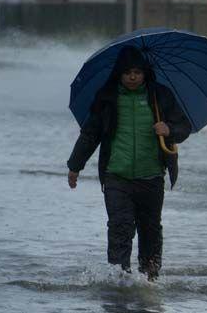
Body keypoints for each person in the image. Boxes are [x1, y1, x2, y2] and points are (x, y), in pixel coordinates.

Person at [66, 46, 191, 281]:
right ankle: (119, 279)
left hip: (152, 175)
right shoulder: (107, 98)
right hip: (117, 176)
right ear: (119, 74)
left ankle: (150, 278)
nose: (133, 77)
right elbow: (90, 134)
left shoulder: (159, 96)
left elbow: (184, 126)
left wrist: (169, 129)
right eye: (127, 73)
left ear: (145, 73)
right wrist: (75, 166)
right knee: (119, 227)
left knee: (150, 230)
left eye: (137, 72)